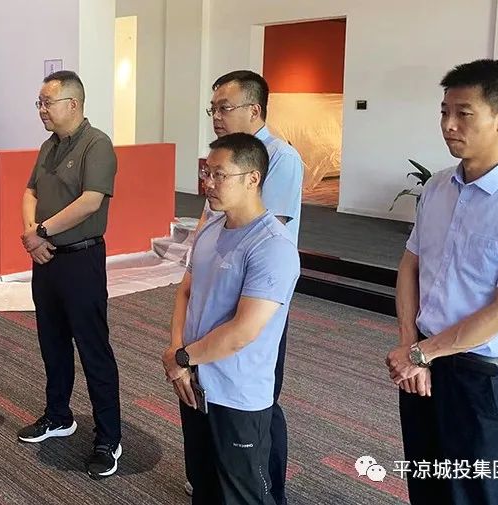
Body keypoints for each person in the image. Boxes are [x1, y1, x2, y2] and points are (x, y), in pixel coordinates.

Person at [386, 59, 498, 505]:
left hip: (478, 379)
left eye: (464, 113)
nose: (448, 125)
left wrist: (420, 353)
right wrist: (410, 345)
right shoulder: (437, 187)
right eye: (444, 112)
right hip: (422, 365)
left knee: (470, 495)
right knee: (426, 484)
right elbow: (410, 266)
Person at [163, 132, 300, 505]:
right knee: (203, 483)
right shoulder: (210, 228)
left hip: (238, 395)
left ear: (252, 179)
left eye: (219, 174)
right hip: (194, 384)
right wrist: (177, 351)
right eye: (206, 173)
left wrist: (182, 358)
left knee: (242, 493)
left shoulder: (273, 246)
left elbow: (243, 332)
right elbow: (186, 292)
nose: (207, 183)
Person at [188, 70, 303, 504]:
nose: (216, 116)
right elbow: (212, 223)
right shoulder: (223, 163)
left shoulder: (280, 159)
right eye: (212, 109)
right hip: (219, 279)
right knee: (208, 398)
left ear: (254, 110)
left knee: (256, 401)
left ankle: (264, 485)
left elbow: (270, 227)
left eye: (224, 108)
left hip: (258, 292)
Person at [16, 70, 122, 480]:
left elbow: (91, 201)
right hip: (46, 261)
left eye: (47, 102)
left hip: (81, 260)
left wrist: (40, 232)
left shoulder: (98, 144)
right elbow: (30, 192)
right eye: (39, 103)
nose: (41, 110)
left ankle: (108, 437)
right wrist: (33, 235)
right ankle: (58, 415)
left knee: (93, 349)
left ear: (73, 105)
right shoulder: (49, 145)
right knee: (52, 343)